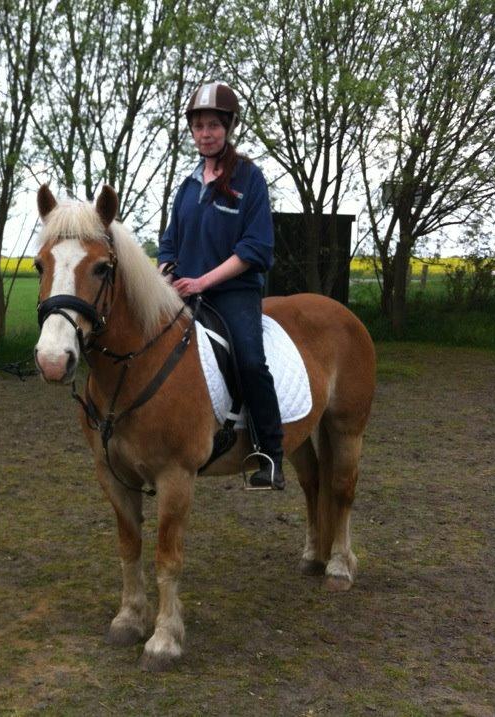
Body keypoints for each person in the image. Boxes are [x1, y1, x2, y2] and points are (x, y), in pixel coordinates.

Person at [157, 81, 284, 489]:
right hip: (185, 291)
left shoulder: (250, 179)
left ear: (228, 127)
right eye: (198, 126)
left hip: (233, 293)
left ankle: (270, 453)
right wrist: (164, 275)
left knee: (250, 360)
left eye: (213, 125)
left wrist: (203, 282)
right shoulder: (187, 186)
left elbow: (255, 247)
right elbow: (169, 242)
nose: (205, 133)